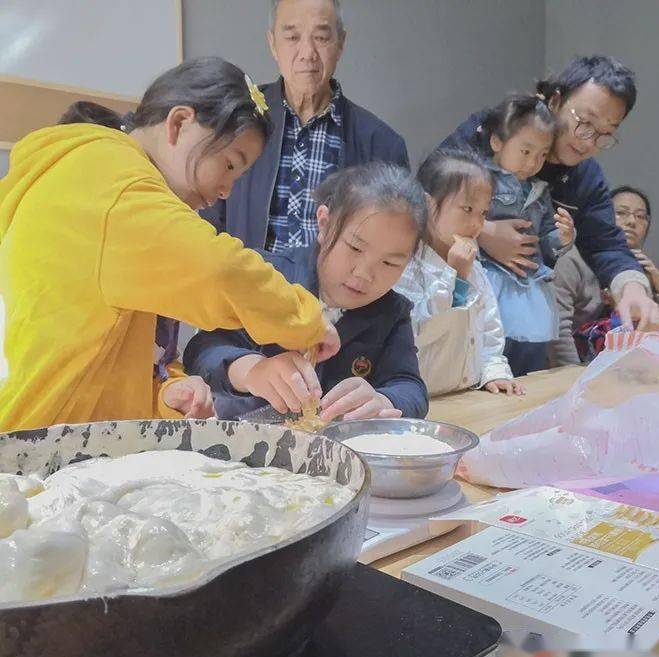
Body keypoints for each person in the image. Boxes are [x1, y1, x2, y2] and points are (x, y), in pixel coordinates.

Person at [0, 57, 340, 433]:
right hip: (36, 446)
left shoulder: (117, 187)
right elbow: (218, 270)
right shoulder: (108, 180)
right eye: (229, 164)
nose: (226, 190)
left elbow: (120, 345)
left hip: (78, 440)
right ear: (179, 123)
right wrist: (308, 320)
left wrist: (167, 392)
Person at [184, 163, 429, 421]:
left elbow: (410, 386)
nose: (364, 274)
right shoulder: (266, 275)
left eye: (390, 263)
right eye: (355, 248)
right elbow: (202, 350)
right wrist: (251, 370)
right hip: (244, 442)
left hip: (334, 451)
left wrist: (383, 400)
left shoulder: (390, 311)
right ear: (324, 224)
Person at [440, 55, 659, 334]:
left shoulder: (586, 177)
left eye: (605, 134)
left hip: (523, 308)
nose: (589, 142)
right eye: (584, 122)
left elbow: (607, 245)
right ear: (555, 101)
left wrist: (633, 289)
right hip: (458, 299)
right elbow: (428, 195)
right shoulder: (499, 127)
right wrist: (482, 230)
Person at [202, 0, 410, 250]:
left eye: (321, 38)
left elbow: (391, 245)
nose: (307, 53)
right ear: (272, 44)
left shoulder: (382, 146)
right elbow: (206, 223)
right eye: (292, 37)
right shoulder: (236, 119)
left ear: (341, 43)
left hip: (331, 289)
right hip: (248, 283)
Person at [396, 147, 524, 396]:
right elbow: (416, 335)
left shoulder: (473, 265)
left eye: (484, 213)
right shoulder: (405, 263)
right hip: (423, 400)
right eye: (467, 209)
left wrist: (494, 371)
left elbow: (489, 330)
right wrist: (453, 276)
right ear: (428, 203)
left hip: (466, 396)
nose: (477, 224)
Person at [472, 94, 575, 375]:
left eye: (542, 155)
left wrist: (563, 238)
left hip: (529, 286)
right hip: (489, 280)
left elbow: (546, 238)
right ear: (496, 142)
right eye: (525, 151)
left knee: (530, 356)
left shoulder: (540, 190)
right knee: (489, 353)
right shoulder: (478, 178)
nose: (532, 163)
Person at [551, 186, 659, 365]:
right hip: (578, 364)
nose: (631, 221)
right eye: (621, 213)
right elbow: (557, 328)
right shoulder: (573, 258)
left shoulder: (641, 267)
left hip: (627, 369)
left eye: (640, 216)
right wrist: (572, 378)